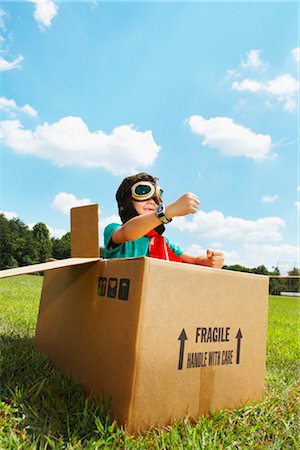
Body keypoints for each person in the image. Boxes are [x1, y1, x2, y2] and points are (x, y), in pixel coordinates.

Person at [104, 172, 224, 268]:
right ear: (127, 201)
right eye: (143, 192)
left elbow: (195, 260)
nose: (152, 202)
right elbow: (128, 232)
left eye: (156, 198)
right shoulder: (113, 230)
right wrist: (166, 212)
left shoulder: (163, 242)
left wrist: (211, 260)